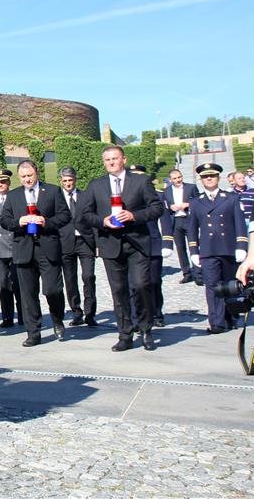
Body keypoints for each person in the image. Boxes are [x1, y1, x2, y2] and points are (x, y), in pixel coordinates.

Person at [77, 146, 163, 352]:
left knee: (141, 285)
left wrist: (134, 216)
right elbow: (84, 215)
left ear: (123, 159)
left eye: (115, 158)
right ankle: (125, 333)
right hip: (110, 244)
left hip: (137, 243)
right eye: (107, 160)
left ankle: (146, 328)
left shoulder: (140, 181)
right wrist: (103, 221)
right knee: (119, 291)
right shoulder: (96, 185)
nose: (111, 163)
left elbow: (157, 208)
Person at [0, 160, 70, 347]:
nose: (27, 179)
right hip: (24, 249)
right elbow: (5, 220)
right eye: (23, 177)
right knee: (28, 294)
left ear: (36, 173)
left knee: (52, 289)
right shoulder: (13, 196)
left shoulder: (53, 191)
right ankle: (33, 332)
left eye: (29, 175)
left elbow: (64, 216)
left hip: (48, 248)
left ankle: (57, 319)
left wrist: (46, 222)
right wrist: (18, 221)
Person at [187, 163, 248, 333]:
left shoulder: (231, 198)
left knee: (230, 286)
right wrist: (193, 251)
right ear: (201, 180)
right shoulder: (196, 202)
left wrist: (241, 245)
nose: (209, 179)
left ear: (218, 178)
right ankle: (217, 323)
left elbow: (240, 224)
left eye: (212, 176)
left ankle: (232, 317)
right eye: (205, 177)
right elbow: (192, 229)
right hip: (208, 250)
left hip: (228, 248)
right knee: (212, 286)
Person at [128, 165, 173, 329]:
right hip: (134, 244)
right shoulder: (127, 196)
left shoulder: (158, 195)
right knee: (133, 284)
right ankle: (136, 317)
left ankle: (156, 313)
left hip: (153, 242)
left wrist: (167, 243)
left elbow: (165, 220)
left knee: (153, 282)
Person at [57, 166, 97, 327]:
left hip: (85, 241)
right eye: (65, 180)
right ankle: (76, 311)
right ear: (61, 181)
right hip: (65, 242)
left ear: (75, 180)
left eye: (70, 180)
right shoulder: (57, 197)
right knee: (70, 279)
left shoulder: (85, 196)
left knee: (88, 276)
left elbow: (94, 219)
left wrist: (97, 242)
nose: (68, 183)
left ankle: (90, 313)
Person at [0, 169, 23, 328]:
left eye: (3, 181)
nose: (0, 184)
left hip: (16, 245)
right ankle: (7, 317)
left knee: (19, 283)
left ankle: (23, 315)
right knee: (3, 284)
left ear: (9, 182)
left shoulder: (16, 198)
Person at [163, 169, 200, 284]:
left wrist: (188, 204)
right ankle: (187, 273)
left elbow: (199, 201)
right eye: (175, 178)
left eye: (179, 177)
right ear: (171, 180)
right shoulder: (167, 191)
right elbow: (165, 206)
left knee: (194, 247)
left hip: (189, 220)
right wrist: (170, 207)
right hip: (176, 221)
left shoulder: (191, 187)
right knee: (180, 249)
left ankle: (199, 274)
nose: (178, 180)